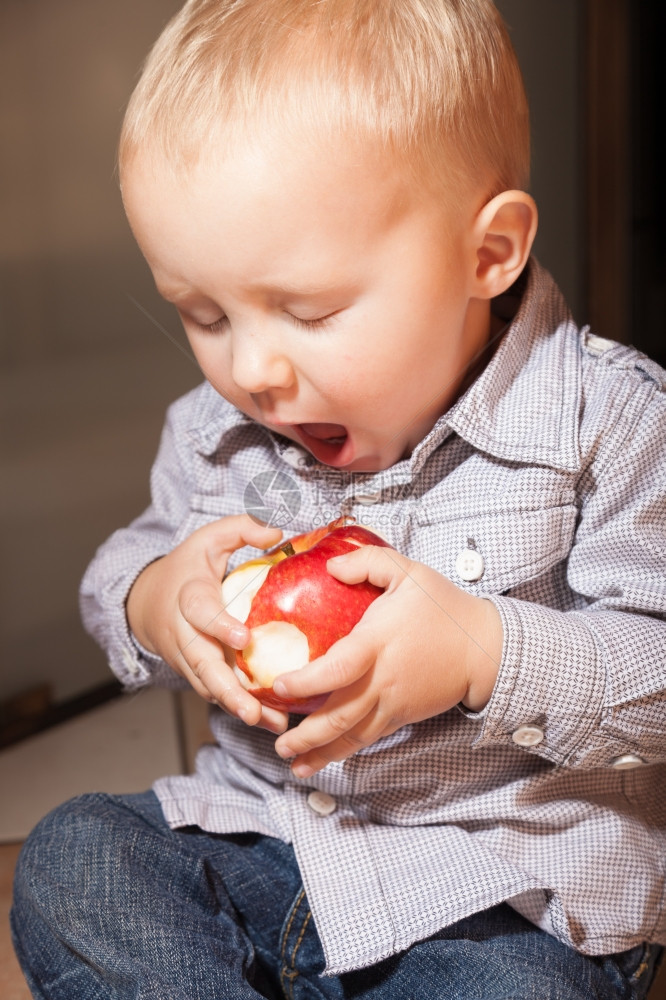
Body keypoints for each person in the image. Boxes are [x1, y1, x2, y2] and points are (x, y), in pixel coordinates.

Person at [11, 1, 666, 997]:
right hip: (264, 842)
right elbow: (118, 575)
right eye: (204, 314)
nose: (254, 368)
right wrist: (156, 600)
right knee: (75, 860)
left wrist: (485, 656)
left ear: (486, 256)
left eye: (309, 310)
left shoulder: (605, 424)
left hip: (495, 896)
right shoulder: (211, 433)